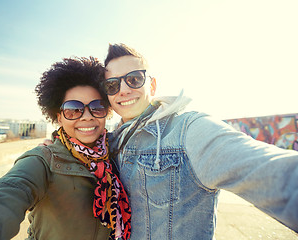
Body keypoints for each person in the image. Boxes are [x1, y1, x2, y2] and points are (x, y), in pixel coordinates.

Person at [100, 43, 298, 239]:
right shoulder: (108, 144)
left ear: (151, 84)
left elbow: (270, 170)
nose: (123, 90)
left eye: (134, 79)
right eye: (112, 85)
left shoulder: (188, 129)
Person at [0, 57, 131, 240]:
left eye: (97, 107)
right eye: (74, 109)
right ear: (59, 117)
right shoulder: (43, 160)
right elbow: (9, 191)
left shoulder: (116, 152)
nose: (87, 116)